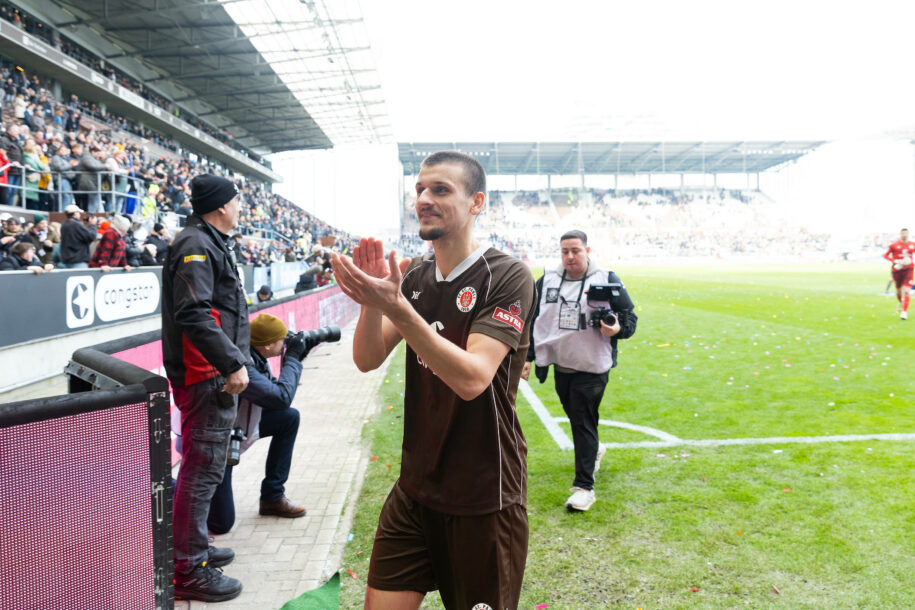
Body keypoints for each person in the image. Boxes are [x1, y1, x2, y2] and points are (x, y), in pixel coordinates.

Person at [331, 151, 535, 610]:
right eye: (420, 189)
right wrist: (371, 299)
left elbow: (473, 379)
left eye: (440, 189)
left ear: (476, 202)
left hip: (483, 493)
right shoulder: (417, 276)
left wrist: (396, 307)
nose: (424, 198)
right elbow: (366, 358)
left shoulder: (505, 275)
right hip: (416, 488)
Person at [162, 173, 249, 602]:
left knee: (205, 468)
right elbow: (194, 313)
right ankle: (189, 568)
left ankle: (193, 552)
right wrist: (231, 363)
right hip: (206, 376)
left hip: (210, 373)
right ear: (219, 207)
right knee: (201, 470)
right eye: (236, 201)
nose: (240, 207)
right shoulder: (196, 242)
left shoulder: (208, 240)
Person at [522, 230, 637, 512]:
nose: (570, 256)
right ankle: (594, 449)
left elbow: (629, 318)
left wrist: (617, 328)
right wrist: (527, 356)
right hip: (562, 365)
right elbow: (531, 317)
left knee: (581, 418)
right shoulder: (547, 279)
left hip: (593, 366)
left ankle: (584, 487)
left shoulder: (606, 278)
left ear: (587, 250)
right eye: (565, 251)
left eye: (575, 250)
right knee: (577, 416)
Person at [206, 314, 308, 536]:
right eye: (283, 340)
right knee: (221, 524)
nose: (286, 343)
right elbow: (281, 397)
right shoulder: (244, 366)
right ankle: (172, 489)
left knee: (288, 418)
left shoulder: (255, 358)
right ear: (268, 345)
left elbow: (277, 399)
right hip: (214, 442)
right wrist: (293, 358)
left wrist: (295, 359)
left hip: (233, 431)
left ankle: (272, 497)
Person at [883, 227, 915, 320]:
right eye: (903, 234)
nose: (904, 235)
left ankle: (904, 312)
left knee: (906, 291)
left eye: (906, 233)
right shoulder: (894, 245)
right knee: (898, 291)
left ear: (908, 234)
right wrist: (894, 260)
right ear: (900, 234)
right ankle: (901, 302)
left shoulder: (912, 245)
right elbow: (885, 255)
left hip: (908, 269)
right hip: (897, 270)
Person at [58, 204, 97, 268]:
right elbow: (91, 236)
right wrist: (92, 225)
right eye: (79, 213)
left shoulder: (64, 224)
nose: (80, 215)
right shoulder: (76, 225)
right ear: (75, 213)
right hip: (78, 261)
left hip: (67, 259)